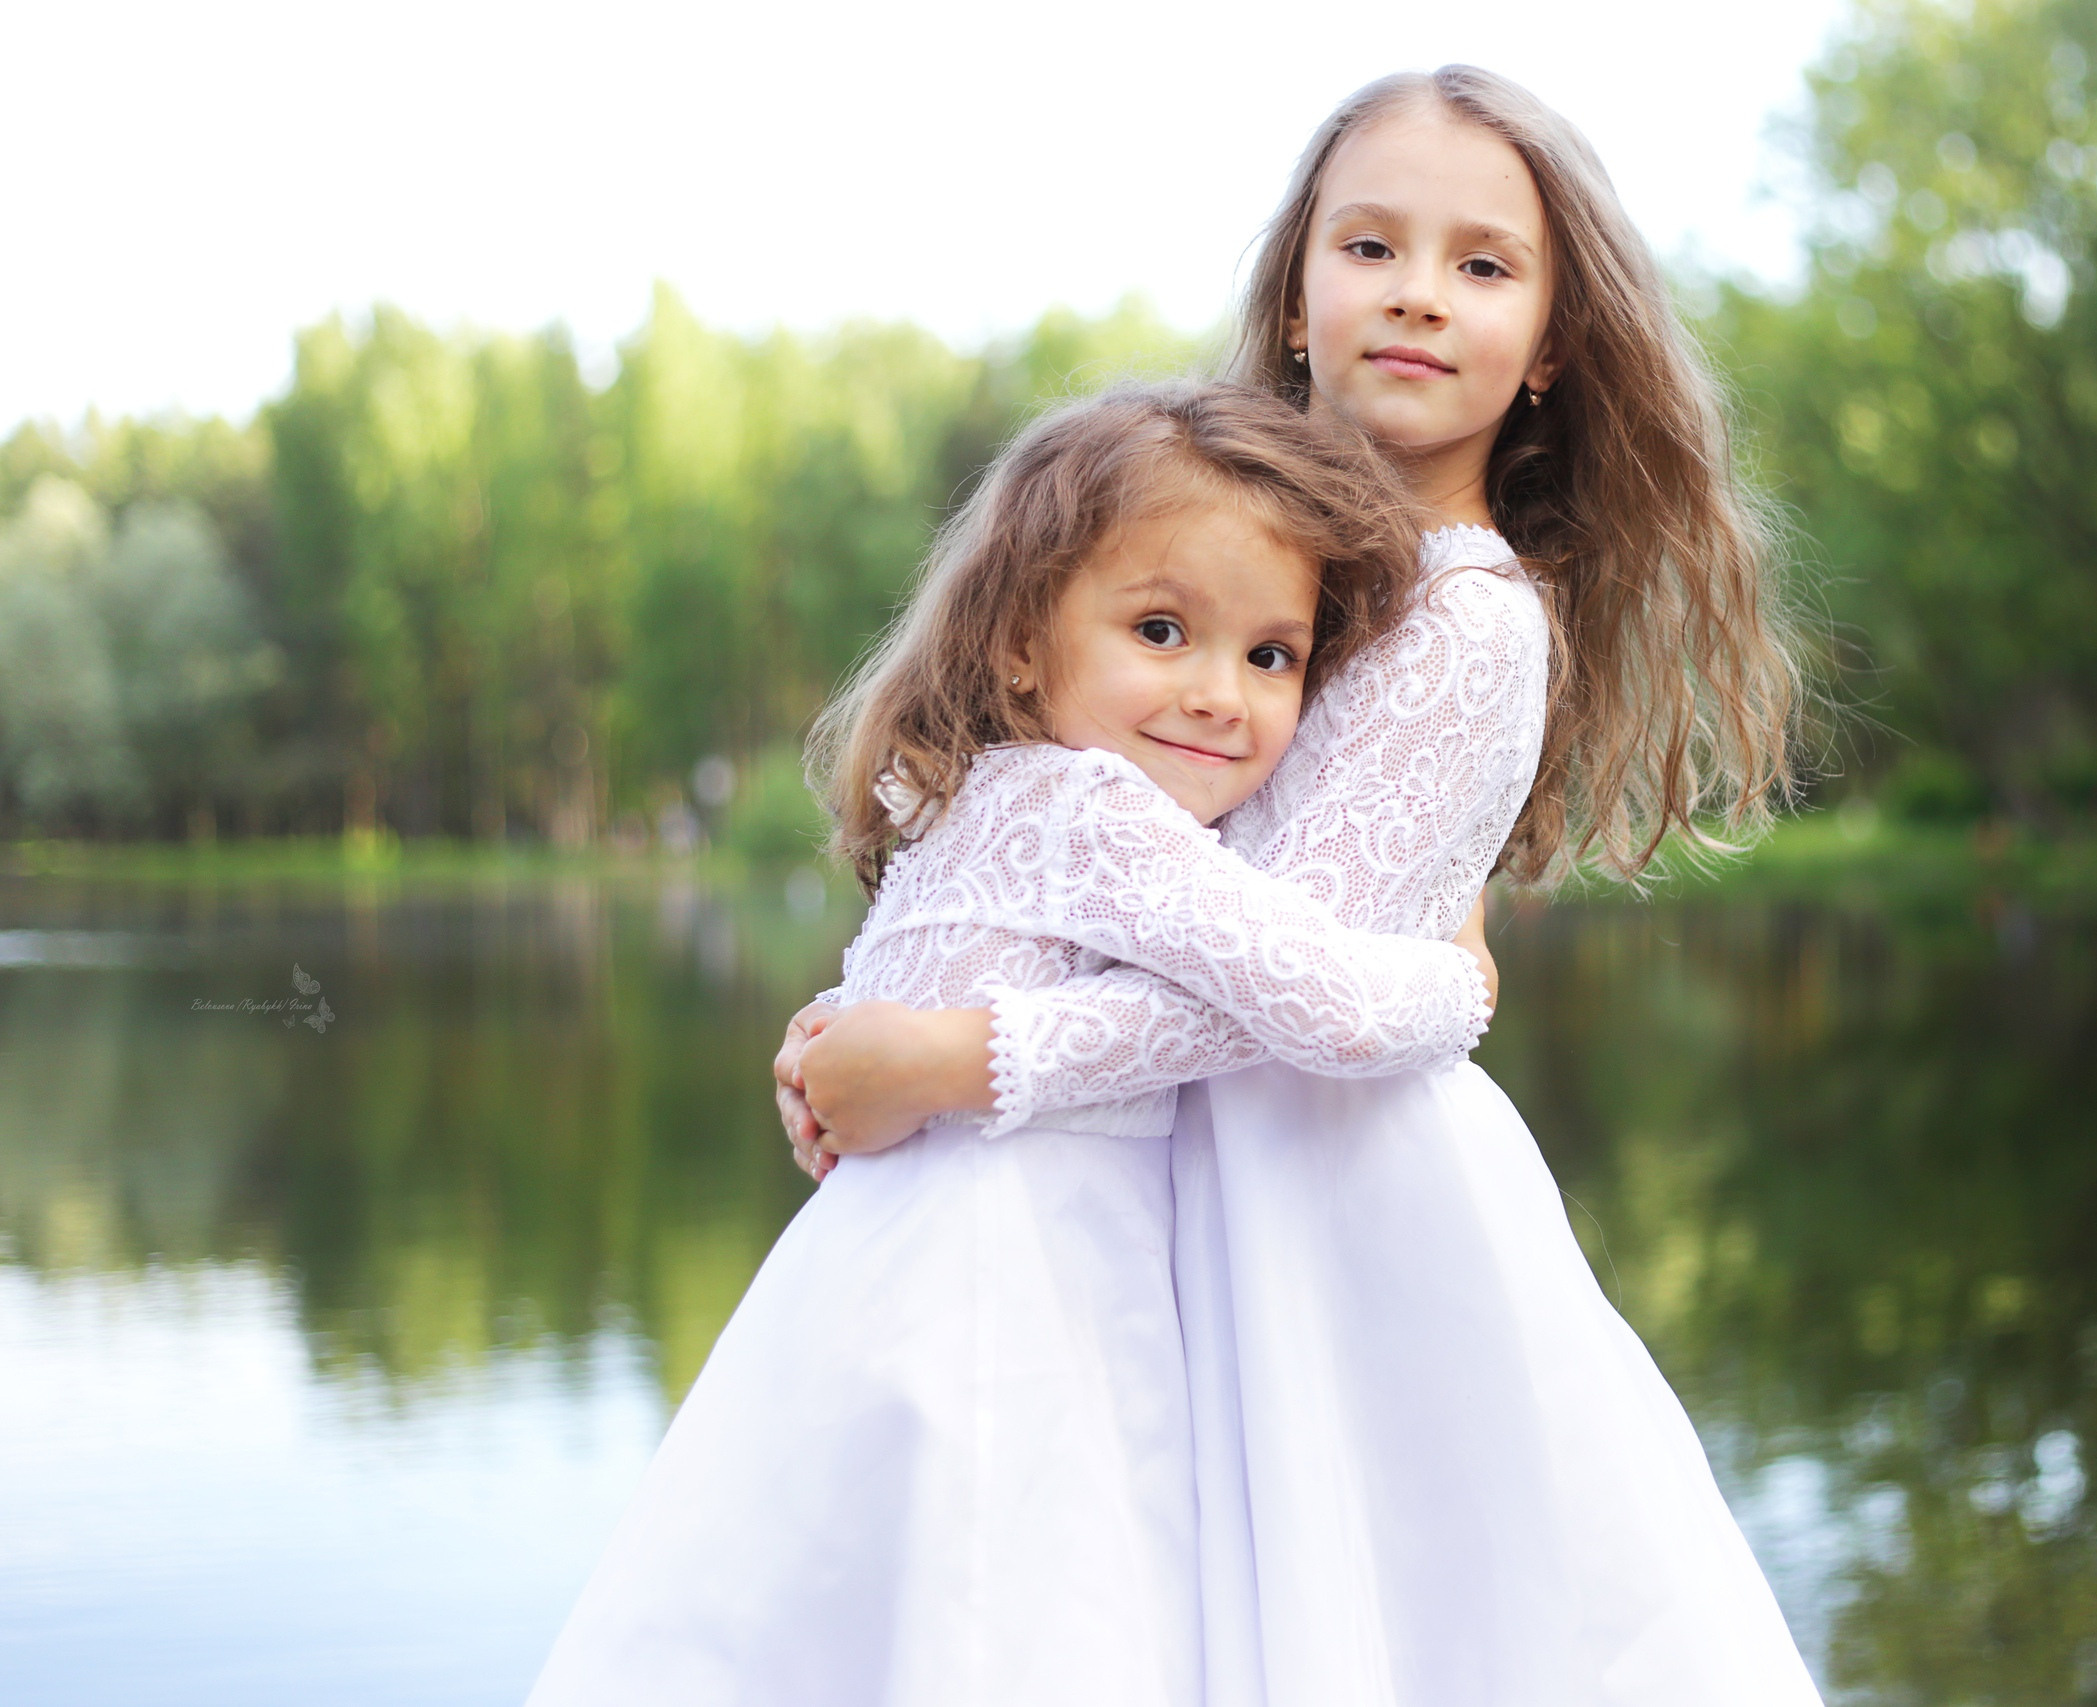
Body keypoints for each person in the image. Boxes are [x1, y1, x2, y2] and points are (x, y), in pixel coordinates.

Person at [780, 65, 1824, 1707]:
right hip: (1178, 1162)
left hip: (1325, 1183)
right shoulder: (1251, 571)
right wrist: (883, 1001)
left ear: (1548, 343)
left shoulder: (1470, 620)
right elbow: (1075, 848)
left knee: (1363, 1620)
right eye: (1370, 246)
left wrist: (950, 1059)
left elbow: (1262, 995)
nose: (1418, 292)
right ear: (1295, 299)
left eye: (1483, 266)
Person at [527, 382, 1498, 1707]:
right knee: (1009, 1628)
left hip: (887, 1277)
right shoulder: (1092, 811)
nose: (1221, 695)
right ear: (1021, 647)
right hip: (1014, 1298)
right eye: (1162, 631)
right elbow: (1321, 1002)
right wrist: (1461, 973)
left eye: (1272, 656)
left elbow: (889, 1017)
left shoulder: (976, 794)